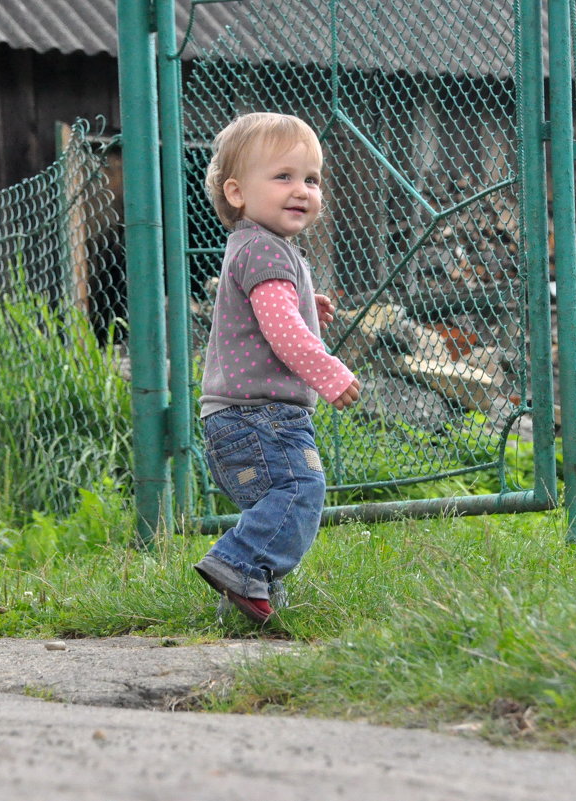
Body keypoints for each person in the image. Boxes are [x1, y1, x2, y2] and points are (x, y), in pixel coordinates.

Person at [194, 112, 361, 624]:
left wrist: (307, 300)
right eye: (283, 177)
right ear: (238, 192)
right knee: (300, 492)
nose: (302, 190)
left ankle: (244, 611)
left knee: (273, 508)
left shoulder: (255, 247)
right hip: (261, 417)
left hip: (233, 418)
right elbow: (282, 332)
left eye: (311, 179)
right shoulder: (266, 250)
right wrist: (329, 373)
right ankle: (235, 562)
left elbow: (271, 308)